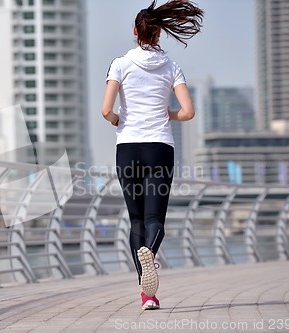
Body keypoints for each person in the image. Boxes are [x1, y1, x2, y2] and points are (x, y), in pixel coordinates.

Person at [101, 0, 203, 310]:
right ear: (158, 33)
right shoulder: (171, 67)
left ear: (135, 31)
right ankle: (151, 262)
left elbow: (106, 110)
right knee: (155, 219)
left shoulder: (119, 63)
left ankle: (147, 295)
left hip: (128, 149)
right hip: (160, 148)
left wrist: (118, 119)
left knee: (135, 222)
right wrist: (167, 114)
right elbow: (188, 112)